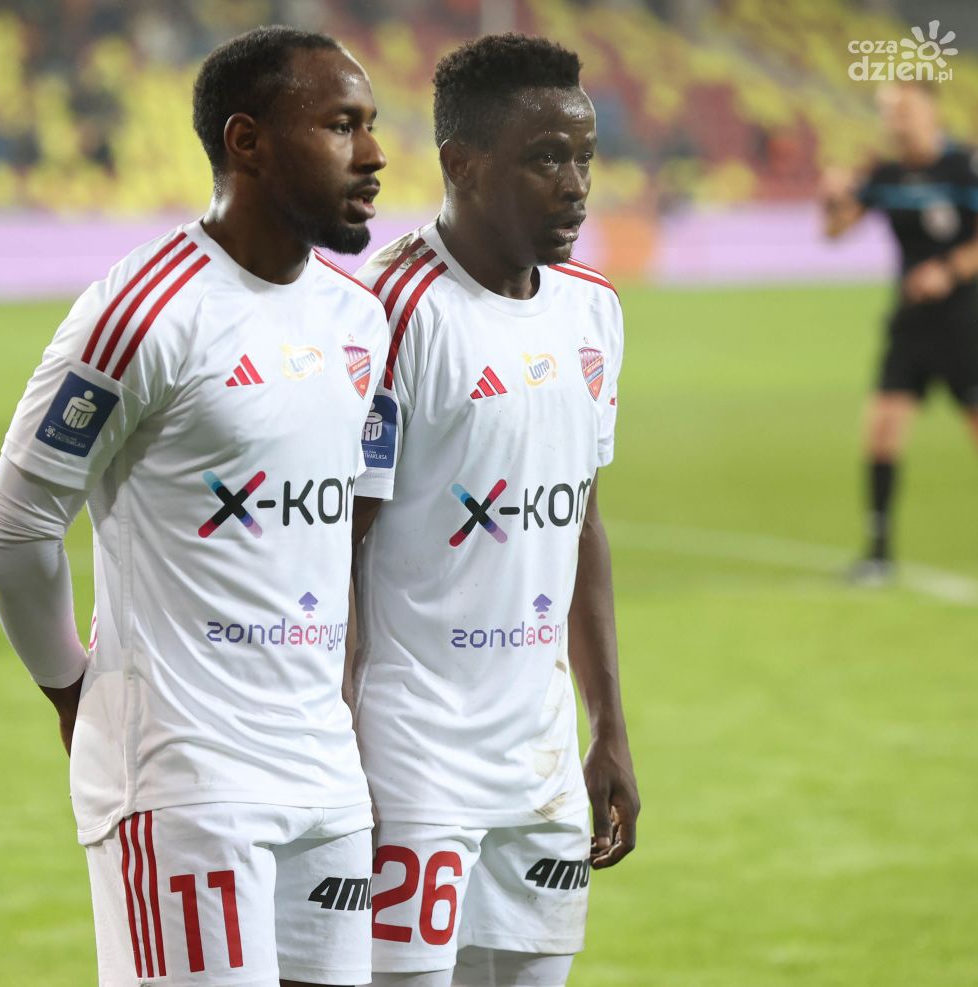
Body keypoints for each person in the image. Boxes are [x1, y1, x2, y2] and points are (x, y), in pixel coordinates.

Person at [0, 26, 389, 987]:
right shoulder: (144, 312)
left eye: (370, 125)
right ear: (248, 142)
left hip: (327, 777)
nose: (372, 154)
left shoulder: (359, 319)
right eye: (341, 126)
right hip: (186, 780)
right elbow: (15, 529)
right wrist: (73, 690)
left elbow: (343, 529)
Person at [349, 34, 639, 987]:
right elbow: (339, 544)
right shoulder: (390, 311)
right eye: (547, 158)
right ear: (463, 164)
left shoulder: (593, 308)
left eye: (585, 157)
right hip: (408, 753)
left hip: (542, 760)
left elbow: (580, 520)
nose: (576, 185)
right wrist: (334, 750)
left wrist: (608, 725)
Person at [822, 80, 978, 584]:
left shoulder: (964, 167)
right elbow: (835, 232)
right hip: (910, 325)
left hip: (966, 324)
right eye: (889, 112)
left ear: (932, 113)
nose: (896, 120)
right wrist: (832, 199)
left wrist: (948, 270)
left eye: (905, 110)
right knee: (882, 432)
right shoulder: (885, 174)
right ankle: (879, 553)